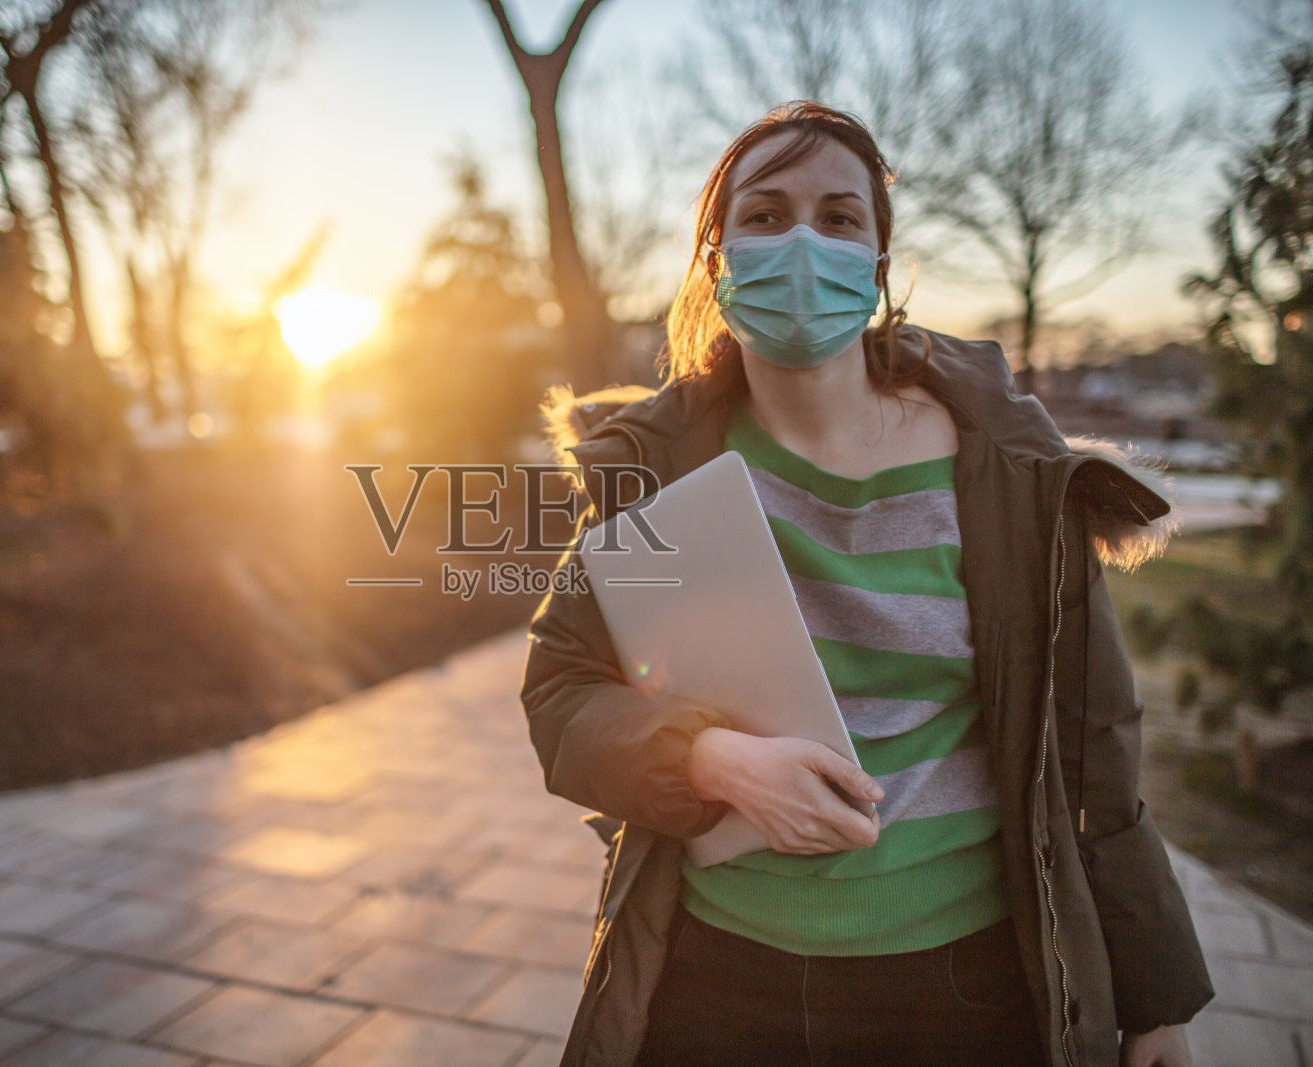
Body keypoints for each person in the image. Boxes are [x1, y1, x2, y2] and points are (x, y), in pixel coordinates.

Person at [519, 101, 1215, 1067]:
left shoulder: (1005, 466)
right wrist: (708, 760)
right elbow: (561, 693)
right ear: (716, 263)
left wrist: (1156, 998)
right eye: (763, 215)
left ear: (877, 268)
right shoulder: (654, 466)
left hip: (964, 983)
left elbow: (1096, 745)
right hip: (712, 975)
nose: (802, 241)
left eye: (839, 217)